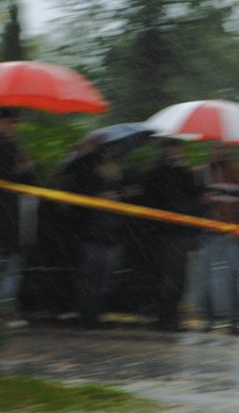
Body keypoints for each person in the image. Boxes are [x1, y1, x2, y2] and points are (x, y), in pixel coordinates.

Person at [57, 139, 139, 329]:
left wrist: (119, 193)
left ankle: (95, 314)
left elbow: (136, 190)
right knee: (90, 278)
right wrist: (99, 194)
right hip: (93, 233)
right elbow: (76, 190)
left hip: (114, 233)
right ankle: (87, 317)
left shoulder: (125, 171)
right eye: (110, 148)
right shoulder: (87, 170)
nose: (114, 152)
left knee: (106, 280)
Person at [141, 137, 203, 332]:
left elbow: (193, 196)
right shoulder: (160, 173)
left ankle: (171, 316)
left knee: (178, 277)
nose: (178, 151)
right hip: (167, 232)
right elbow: (166, 200)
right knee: (169, 277)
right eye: (175, 148)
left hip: (180, 232)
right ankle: (165, 317)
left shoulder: (184, 172)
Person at [194, 143, 239, 335]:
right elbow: (190, 200)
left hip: (232, 233)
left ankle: (234, 320)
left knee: (234, 276)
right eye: (218, 147)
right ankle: (208, 319)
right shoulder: (202, 173)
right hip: (208, 232)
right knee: (206, 277)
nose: (221, 151)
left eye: (225, 148)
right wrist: (202, 202)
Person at [0, 107, 38, 322]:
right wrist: (18, 169)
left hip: (14, 217)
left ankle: (5, 311)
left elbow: (30, 182)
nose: (13, 126)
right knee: (9, 265)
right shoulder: (9, 147)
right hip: (6, 216)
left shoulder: (15, 146)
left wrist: (27, 168)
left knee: (13, 265)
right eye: (10, 121)